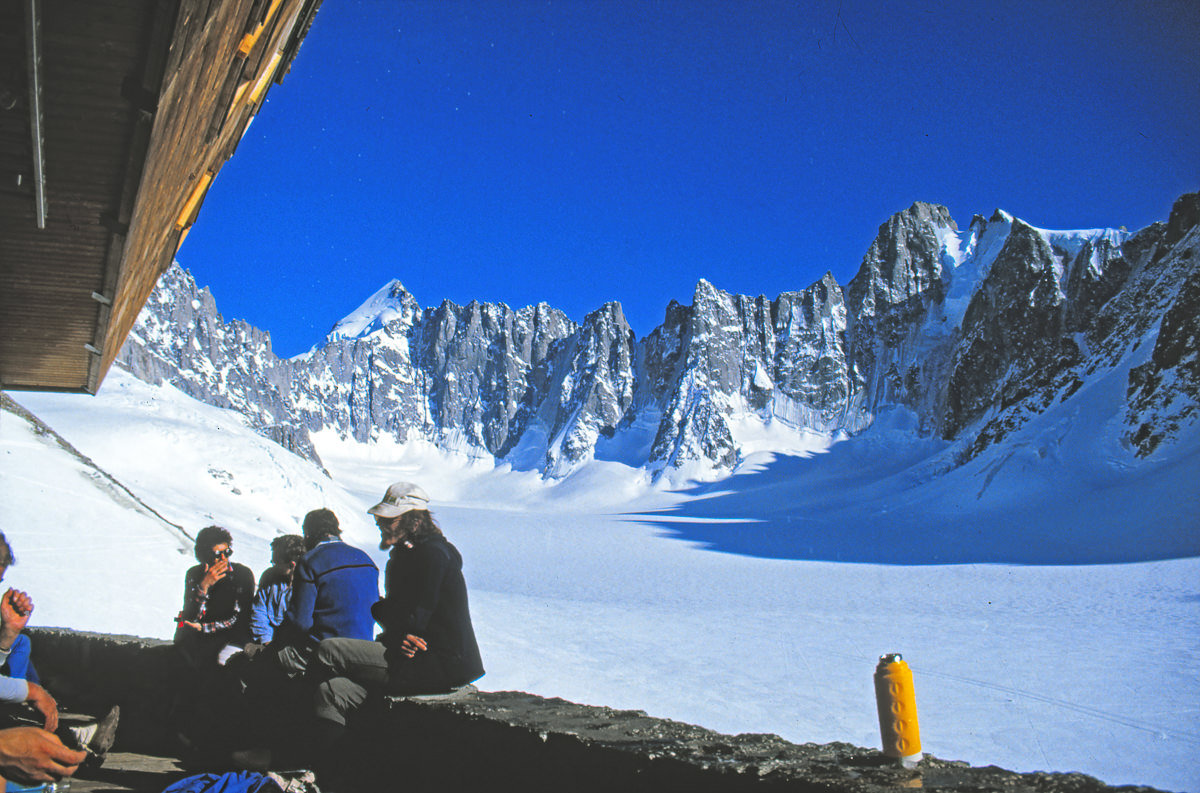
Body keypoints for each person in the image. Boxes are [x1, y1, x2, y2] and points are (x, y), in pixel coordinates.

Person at [311, 482, 484, 747]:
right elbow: (407, 616)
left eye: (388, 519)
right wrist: (399, 626)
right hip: (429, 662)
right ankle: (326, 761)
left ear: (414, 521)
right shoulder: (420, 553)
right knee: (332, 691)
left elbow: (417, 616)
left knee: (329, 651)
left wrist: (392, 620)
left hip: (433, 663)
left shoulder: (430, 555)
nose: (379, 523)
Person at [267, 510, 378, 678]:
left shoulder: (311, 561)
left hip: (325, 652)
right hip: (362, 650)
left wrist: (275, 643)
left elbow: (300, 622)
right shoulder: (366, 559)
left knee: (263, 662)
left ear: (308, 534)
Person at [174, 526, 256, 667]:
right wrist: (204, 587)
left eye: (227, 552)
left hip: (232, 635)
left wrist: (203, 627)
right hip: (201, 634)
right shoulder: (194, 574)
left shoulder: (242, 574)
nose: (224, 558)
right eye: (217, 554)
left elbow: (239, 617)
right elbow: (191, 613)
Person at [248, 535, 307, 646]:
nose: (273, 565)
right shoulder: (269, 576)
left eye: (276, 562)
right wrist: (266, 640)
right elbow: (259, 610)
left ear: (292, 565)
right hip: (265, 640)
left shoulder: (307, 587)